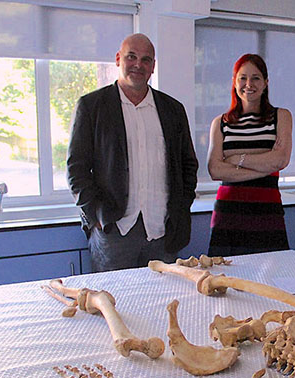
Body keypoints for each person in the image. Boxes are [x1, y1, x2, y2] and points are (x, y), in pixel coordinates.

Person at [67, 33, 198, 272]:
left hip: (163, 231)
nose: (138, 64)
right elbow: (76, 169)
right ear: (118, 59)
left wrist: (181, 207)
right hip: (113, 232)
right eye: (131, 57)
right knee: (114, 303)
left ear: (153, 67)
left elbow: (188, 165)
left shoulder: (173, 110)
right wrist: (95, 215)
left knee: (165, 302)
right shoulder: (92, 106)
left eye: (146, 59)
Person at [206, 54, 293, 256]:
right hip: (228, 213)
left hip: (267, 212)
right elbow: (215, 170)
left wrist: (237, 160)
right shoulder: (220, 122)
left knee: (271, 279)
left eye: (255, 78)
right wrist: (265, 164)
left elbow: (281, 160)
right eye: (242, 78)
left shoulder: (281, 117)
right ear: (235, 82)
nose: (249, 84)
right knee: (225, 279)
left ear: (265, 83)